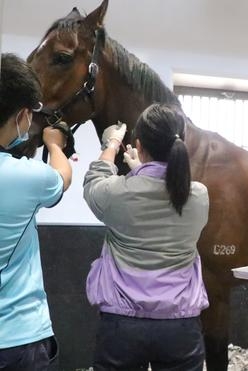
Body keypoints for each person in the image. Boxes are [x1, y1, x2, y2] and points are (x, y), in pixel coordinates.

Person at [83, 103, 210, 371]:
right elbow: (164, 188)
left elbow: (95, 180)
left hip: (122, 327)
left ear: (139, 145)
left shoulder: (116, 194)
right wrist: (142, 168)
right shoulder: (198, 196)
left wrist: (113, 143)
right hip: (180, 326)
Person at [0, 53, 72, 370]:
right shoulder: (26, 176)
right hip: (19, 339)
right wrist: (55, 146)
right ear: (23, 115)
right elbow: (62, 178)